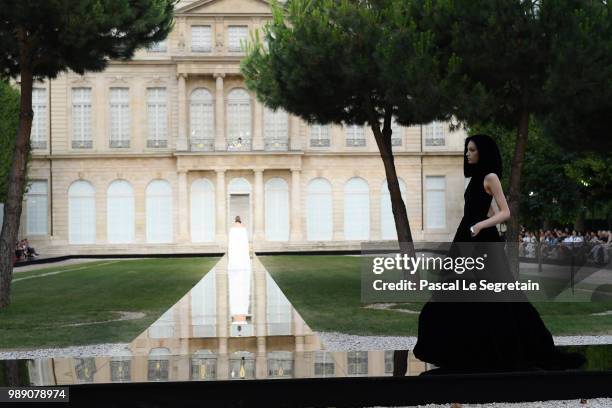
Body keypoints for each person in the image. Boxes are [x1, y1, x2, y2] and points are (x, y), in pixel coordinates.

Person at [413, 134, 585, 371]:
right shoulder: (475, 179)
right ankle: (466, 348)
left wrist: (480, 226)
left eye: (471, 150)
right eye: (467, 149)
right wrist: (475, 226)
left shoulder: (491, 177)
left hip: (480, 238)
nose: (467, 153)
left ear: (482, 151)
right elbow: (490, 209)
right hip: (468, 237)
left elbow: (505, 212)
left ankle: (506, 346)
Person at [227, 215, 251, 325]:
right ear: (240, 220)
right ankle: (241, 264)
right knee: (241, 293)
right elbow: (244, 242)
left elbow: (232, 243)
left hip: (234, 257)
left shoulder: (233, 228)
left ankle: (237, 264)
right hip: (242, 256)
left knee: (236, 293)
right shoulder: (243, 228)